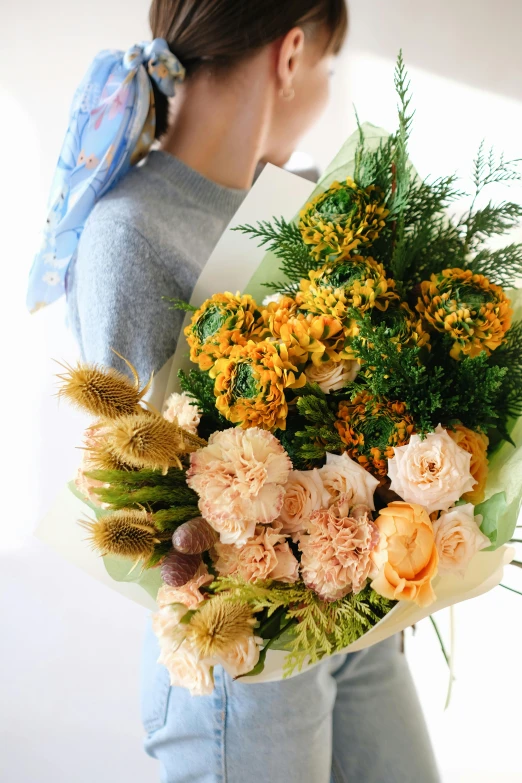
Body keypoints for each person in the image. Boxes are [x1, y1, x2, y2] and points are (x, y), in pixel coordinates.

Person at [28, 1, 440, 781]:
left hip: (352, 617)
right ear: (290, 56)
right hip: (242, 656)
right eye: (325, 65)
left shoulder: (304, 200)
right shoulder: (132, 231)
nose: (323, 87)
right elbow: (143, 506)